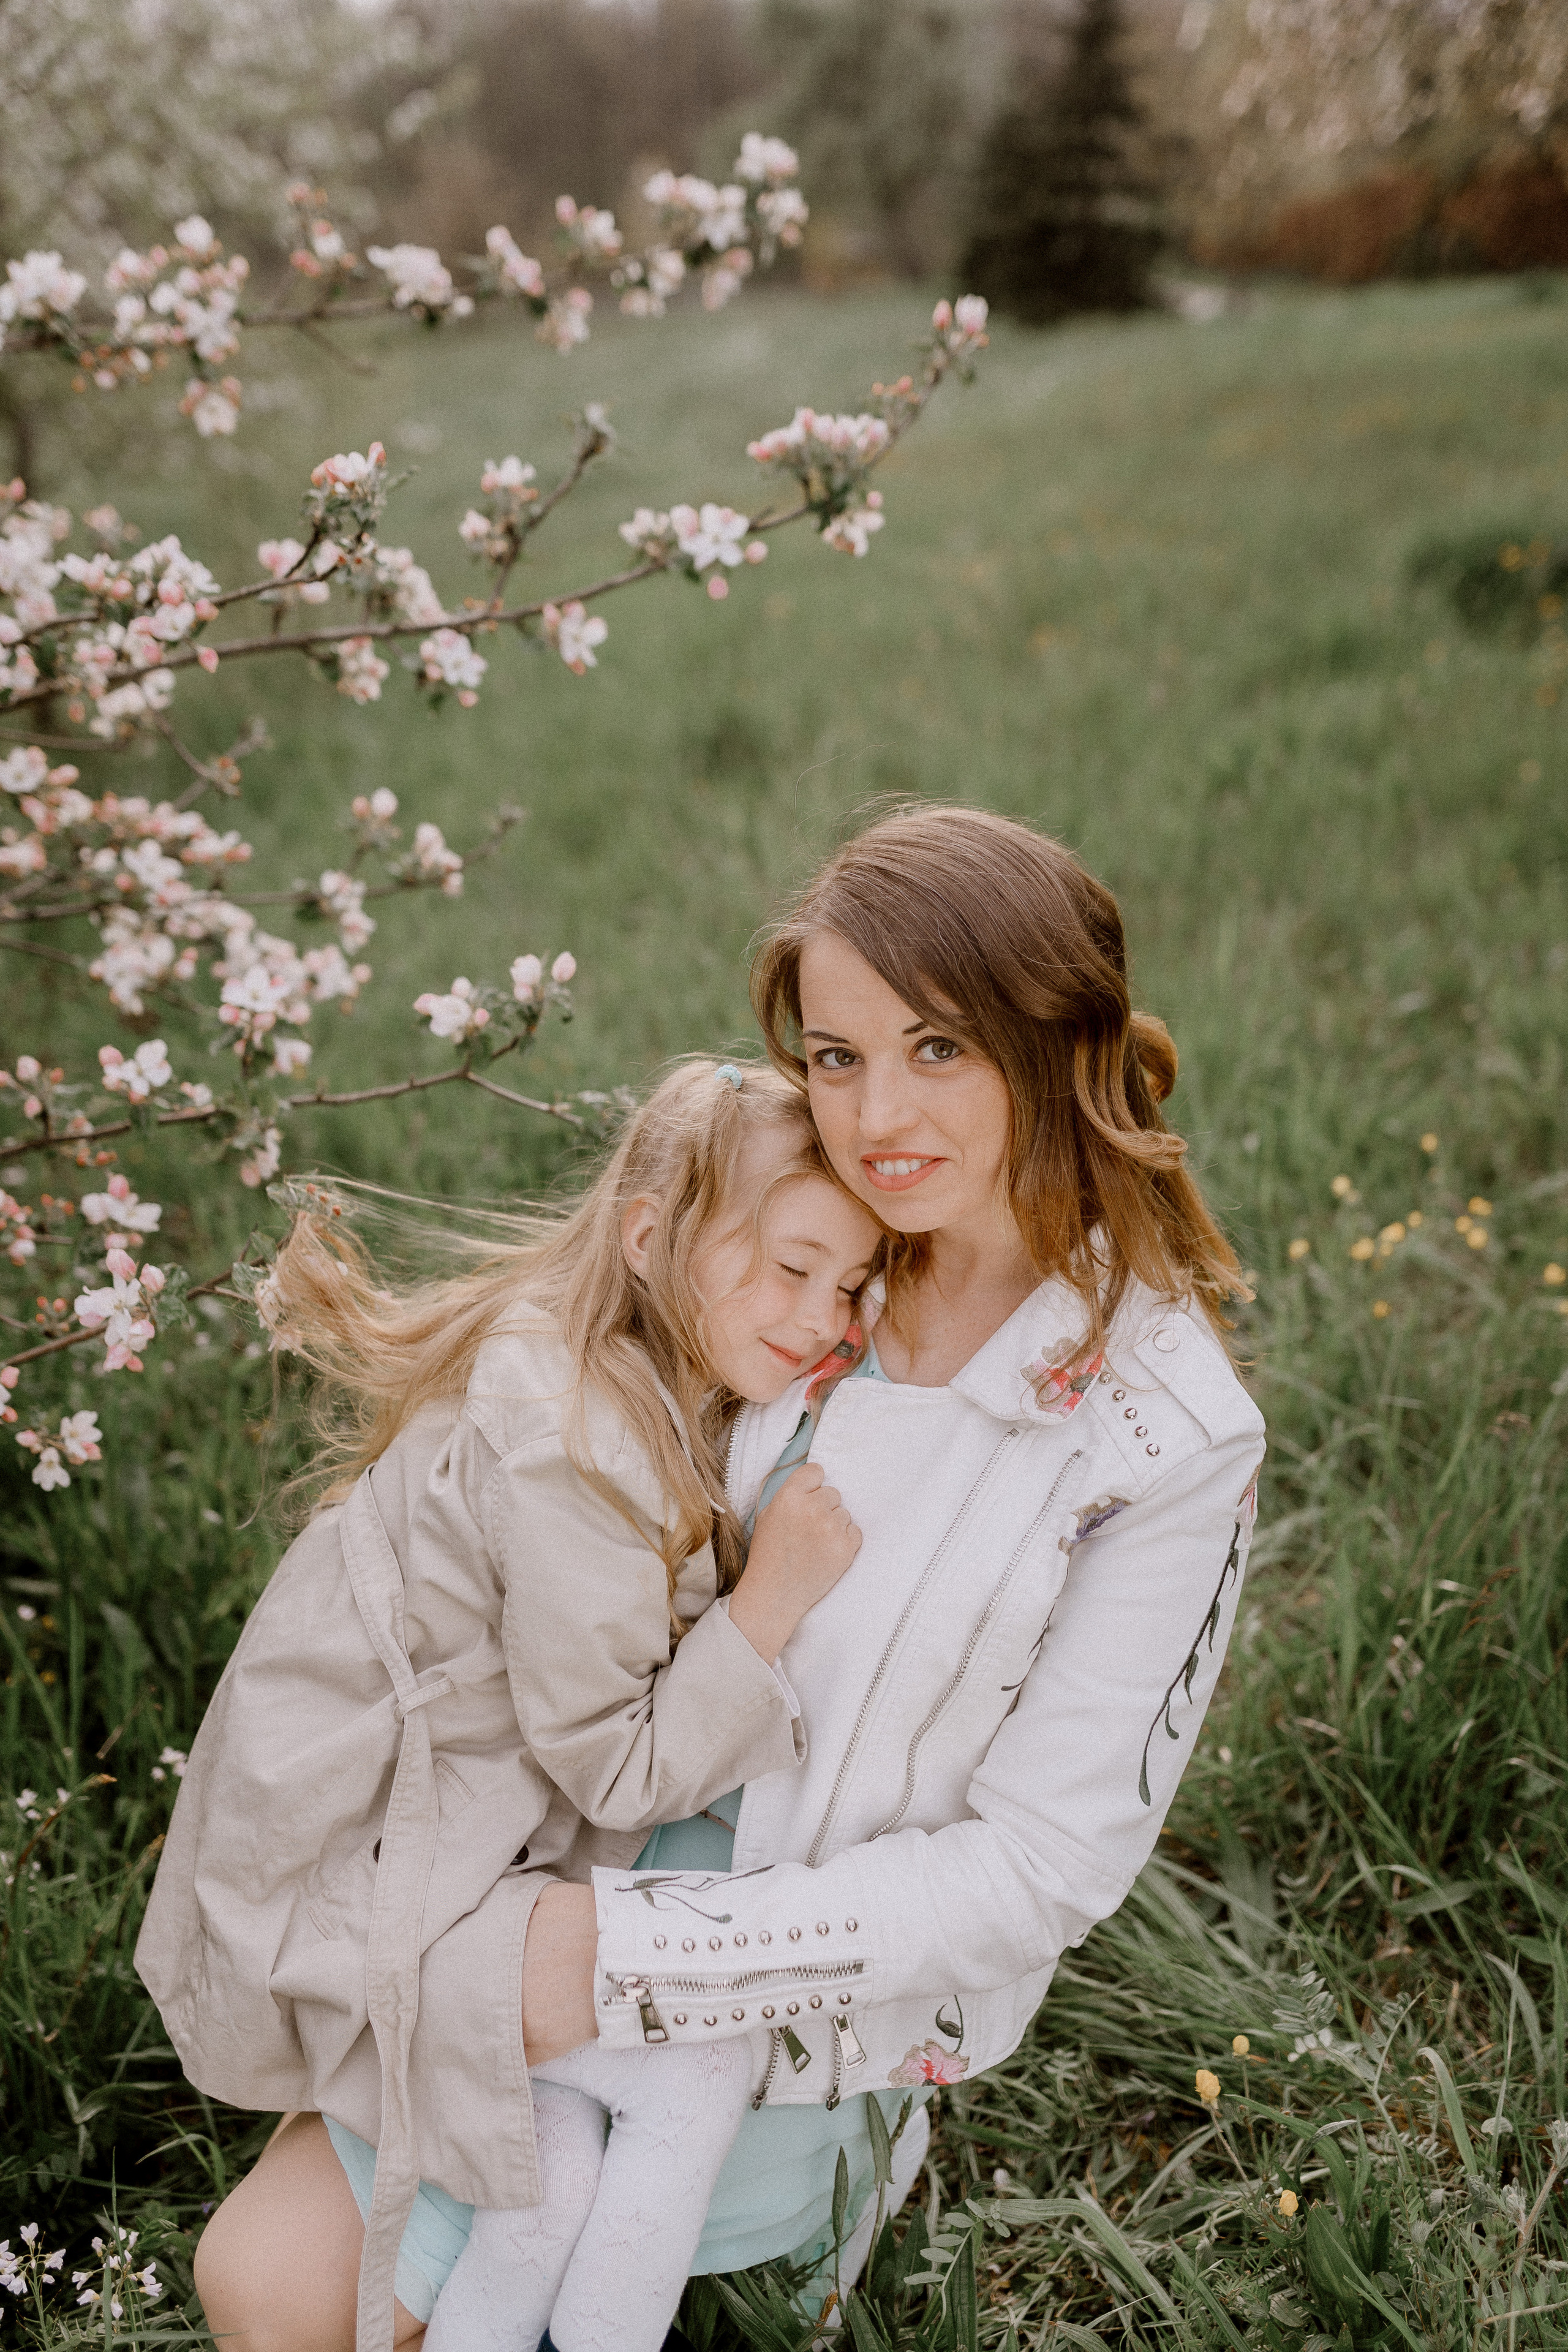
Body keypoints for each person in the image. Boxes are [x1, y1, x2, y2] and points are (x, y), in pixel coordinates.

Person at [188, 805, 1266, 2352]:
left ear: (1061, 1039)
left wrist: (619, 1957)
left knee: (507, 2281)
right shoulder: (800, 1229)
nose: (876, 1115)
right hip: (540, 1860)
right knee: (267, 2289)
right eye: (835, 1055)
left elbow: (1039, 1868)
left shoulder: (1160, 1433)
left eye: (939, 1049)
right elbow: (564, 1393)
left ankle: (821, 2185)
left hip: (786, 1992)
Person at [138, 1058, 881, 2352]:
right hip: (383, 1861)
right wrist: (769, 1605)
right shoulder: (577, 1448)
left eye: (853, 1285)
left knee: (551, 2175)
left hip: (443, 1832)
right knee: (665, 2091)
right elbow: (617, 1771)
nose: (825, 1316)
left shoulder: (614, 1363)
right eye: (789, 1267)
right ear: (650, 1237)